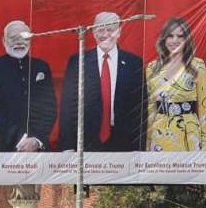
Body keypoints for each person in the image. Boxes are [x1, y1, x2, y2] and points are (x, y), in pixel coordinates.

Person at [57, 10, 150, 154]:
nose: (105, 34)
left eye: (110, 30)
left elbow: (140, 108)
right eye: (101, 30)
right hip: (85, 142)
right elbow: (67, 106)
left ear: (119, 32)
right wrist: (67, 145)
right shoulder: (78, 61)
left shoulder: (134, 63)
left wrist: (138, 147)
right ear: (94, 33)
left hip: (124, 143)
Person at [0, 20, 58, 153]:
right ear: (4, 41)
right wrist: (20, 140)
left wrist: (36, 140)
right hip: (2, 148)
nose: (19, 42)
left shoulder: (41, 67)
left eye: (24, 37)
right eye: (14, 38)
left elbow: (49, 108)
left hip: (37, 149)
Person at [145, 16, 206, 153]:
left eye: (180, 36)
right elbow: (151, 110)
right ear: (164, 39)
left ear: (186, 40)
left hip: (189, 137)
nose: (175, 40)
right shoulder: (152, 68)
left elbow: (204, 109)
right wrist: (148, 145)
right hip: (160, 135)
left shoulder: (197, 66)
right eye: (170, 36)